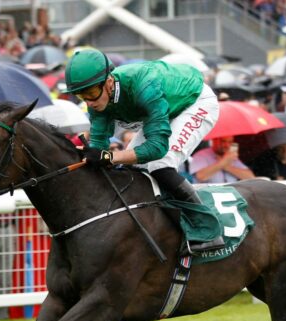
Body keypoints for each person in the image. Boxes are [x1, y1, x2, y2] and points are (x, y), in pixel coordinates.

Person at [62, 48, 225, 252]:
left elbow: (157, 148)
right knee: (133, 169)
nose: (89, 102)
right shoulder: (96, 104)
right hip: (162, 110)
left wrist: (110, 156)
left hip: (194, 103)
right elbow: (99, 148)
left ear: (109, 82)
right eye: (81, 95)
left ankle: (209, 229)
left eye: (91, 93)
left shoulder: (144, 85)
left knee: (160, 164)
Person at [189, 136, 255, 183]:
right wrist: (223, 162)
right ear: (214, 140)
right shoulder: (201, 155)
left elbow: (250, 177)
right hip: (210, 196)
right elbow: (201, 176)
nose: (227, 145)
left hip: (232, 195)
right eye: (223, 141)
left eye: (230, 142)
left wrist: (227, 166)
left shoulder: (230, 156)